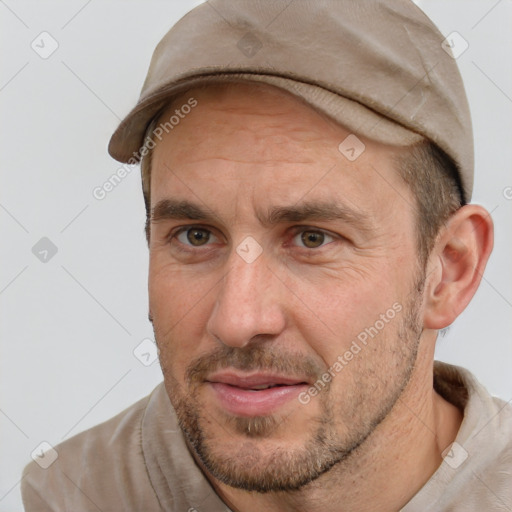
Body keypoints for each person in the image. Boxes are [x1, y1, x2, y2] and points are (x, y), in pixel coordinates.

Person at [21, 1, 512, 510]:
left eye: (312, 239)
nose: (237, 320)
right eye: (195, 236)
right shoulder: (78, 494)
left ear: (449, 270)